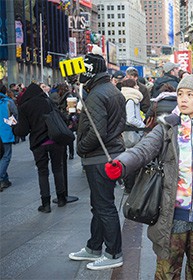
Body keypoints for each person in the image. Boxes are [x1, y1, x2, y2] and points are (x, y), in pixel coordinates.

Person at [104, 74, 193, 279]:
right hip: (172, 215)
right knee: (167, 273)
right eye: (180, 94)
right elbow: (143, 150)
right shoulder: (167, 128)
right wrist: (122, 164)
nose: (183, 99)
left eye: (190, 95)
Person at [68, 52, 126, 270]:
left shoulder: (96, 94)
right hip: (111, 154)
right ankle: (94, 247)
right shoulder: (111, 90)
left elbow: (97, 131)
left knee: (103, 206)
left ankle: (113, 253)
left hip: (100, 157)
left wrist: (81, 147)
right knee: (99, 205)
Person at [12, 83, 67, 212]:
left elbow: (23, 131)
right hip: (54, 140)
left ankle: (46, 203)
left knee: (42, 172)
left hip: (39, 143)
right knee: (57, 169)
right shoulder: (47, 101)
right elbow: (61, 117)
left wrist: (14, 127)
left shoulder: (24, 106)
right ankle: (61, 198)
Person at [120, 78, 145, 193]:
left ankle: (128, 185)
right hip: (131, 133)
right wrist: (142, 125)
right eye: (136, 85)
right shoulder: (131, 99)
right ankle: (129, 186)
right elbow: (130, 119)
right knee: (131, 158)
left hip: (127, 132)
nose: (138, 87)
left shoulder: (124, 97)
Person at [0, 86, 17, 191]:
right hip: (5, 132)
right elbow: (15, 115)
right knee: (6, 156)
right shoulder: (8, 102)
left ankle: (5, 179)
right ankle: (1, 178)